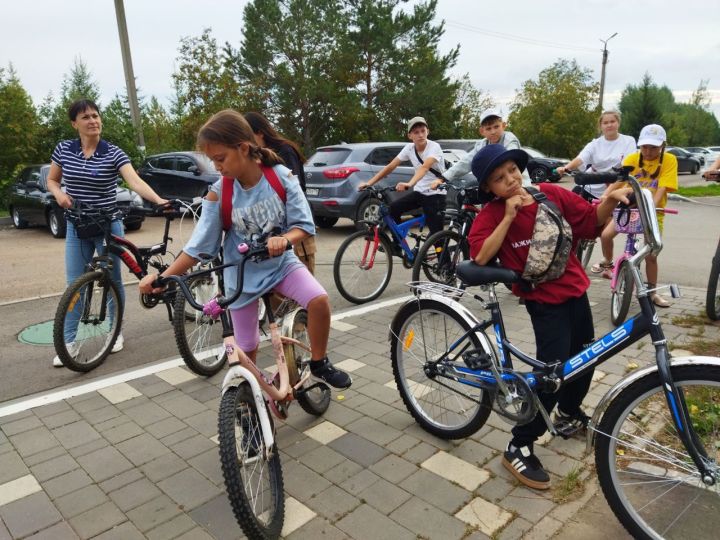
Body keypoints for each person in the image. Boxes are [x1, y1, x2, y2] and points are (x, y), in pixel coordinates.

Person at [138, 109, 351, 389]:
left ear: (243, 148)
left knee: (319, 300)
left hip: (281, 266)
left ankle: (319, 363)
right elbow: (198, 247)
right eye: (213, 160)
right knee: (246, 348)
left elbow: (304, 225)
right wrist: (164, 277)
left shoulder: (279, 177)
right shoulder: (220, 192)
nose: (217, 167)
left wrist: (285, 239)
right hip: (240, 276)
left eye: (220, 158)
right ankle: (251, 400)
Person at [467, 144, 631, 490]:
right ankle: (519, 443)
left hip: (576, 291)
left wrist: (612, 199)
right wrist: (509, 216)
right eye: (499, 178)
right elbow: (480, 256)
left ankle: (569, 414)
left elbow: (589, 222)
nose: (510, 180)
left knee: (587, 358)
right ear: (488, 189)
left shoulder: (549, 194)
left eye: (512, 170)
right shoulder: (493, 214)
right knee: (552, 373)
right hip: (544, 301)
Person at [47, 99, 167, 368]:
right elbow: (52, 180)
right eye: (86, 117)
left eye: (95, 115)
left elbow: (134, 181)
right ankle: (69, 342)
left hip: (107, 225)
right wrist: (59, 194)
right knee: (74, 285)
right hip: (77, 225)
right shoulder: (64, 149)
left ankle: (115, 332)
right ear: (74, 123)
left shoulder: (113, 153)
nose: (93, 120)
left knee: (110, 279)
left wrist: (159, 201)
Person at [601, 124, 678, 307]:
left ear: (662, 146)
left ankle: (651, 292)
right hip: (629, 208)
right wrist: (606, 195)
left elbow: (662, 188)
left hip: (652, 211)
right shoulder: (633, 158)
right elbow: (620, 180)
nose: (648, 151)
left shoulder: (669, 160)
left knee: (651, 254)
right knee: (605, 235)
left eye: (653, 147)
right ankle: (608, 262)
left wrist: (651, 207)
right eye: (644, 146)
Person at [556, 110, 637, 275]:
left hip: (616, 187)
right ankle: (567, 256)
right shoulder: (595, 144)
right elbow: (582, 158)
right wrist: (566, 168)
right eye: (605, 122)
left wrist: (611, 188)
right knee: (569, 212)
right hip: (592, 187)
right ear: (600, 126)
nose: (609, 125)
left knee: (605, 230)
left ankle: (607, 264)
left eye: (612, 121)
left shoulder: (628, 141)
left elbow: (629, 163)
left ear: (618, 123)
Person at [244, 111, 316, 274]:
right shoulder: (253, 157)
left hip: (294, 228)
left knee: (298, 294)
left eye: (248, 136)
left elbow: (296, 189)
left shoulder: (284, 150)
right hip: (270, 231)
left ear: (260, 132)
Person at [357, 116, 446, 236]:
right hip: (420, 192)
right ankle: (398, 244)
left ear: (427, 132)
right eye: (416, 132)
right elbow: (390, 166)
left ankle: (442, 253)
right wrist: (369, 183)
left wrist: (409, 184)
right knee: (392, 210)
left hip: (436, 195)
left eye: (423, 131)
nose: (420, 135)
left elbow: (424, 168)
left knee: (437, 238)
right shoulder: (409, 148)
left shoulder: (434, 147)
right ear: (410, 136)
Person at [430, 108, 527, 190]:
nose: (493, 131)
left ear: (504, 125)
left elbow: (508, 157)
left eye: (496, 127)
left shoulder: (509, 139)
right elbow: (466, 162)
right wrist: (443, 178)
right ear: (482, 131)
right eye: (488, 128)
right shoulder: (482, 145)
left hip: (518, 186)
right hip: (499, 188)